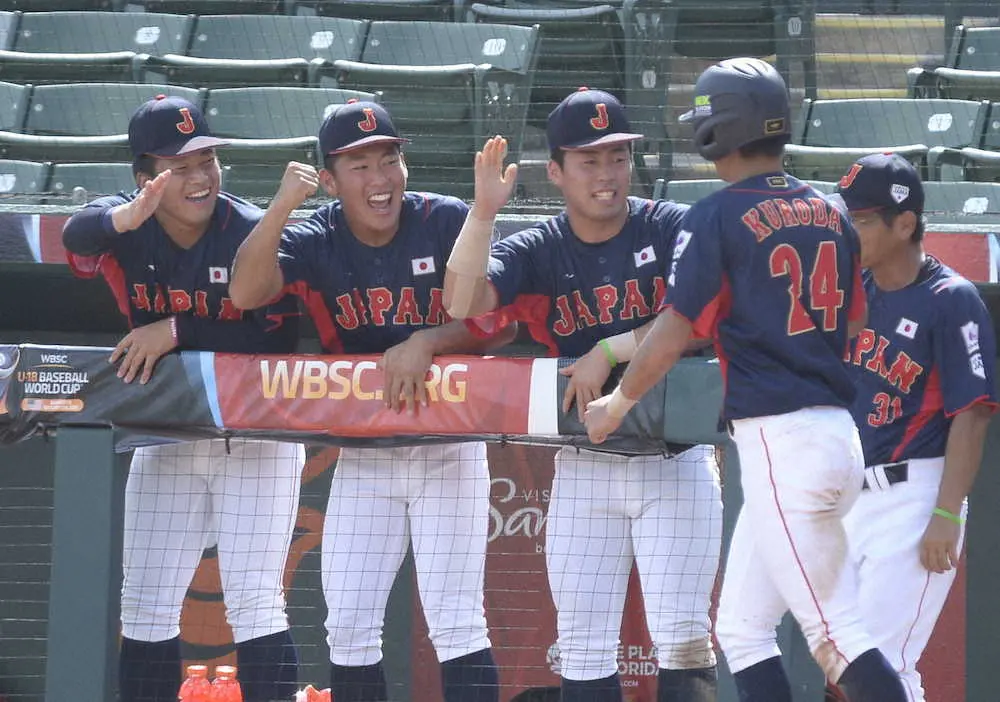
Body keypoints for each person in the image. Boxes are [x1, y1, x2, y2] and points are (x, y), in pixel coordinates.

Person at [582, 58, 909, 702]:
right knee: (742, 627)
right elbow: (858, 321)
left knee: (835, 632)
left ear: (719, 128)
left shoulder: (715, 215)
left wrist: (619, 402)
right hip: (831, 436)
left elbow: (675, 331)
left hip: (782, 443)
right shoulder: (831, 210)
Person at [443, 87, 723, 702]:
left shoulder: (671, 224)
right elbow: (460, 304)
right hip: (584, 468)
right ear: (556, 171)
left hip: (674, 464)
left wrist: (609, 349)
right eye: (590, 160)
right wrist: (483, 214)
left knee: (683, 639)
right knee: (583, 645)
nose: (607, 173)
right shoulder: (539, 247)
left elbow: (699, 318)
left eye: (618, 156)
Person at [228, 100, 511, 702]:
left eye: (389, 159)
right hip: (365, 455)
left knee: (457, 619)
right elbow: (247, 292)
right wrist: (281, 207)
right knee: (349, 626)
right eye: (359, 166)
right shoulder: (316, 235)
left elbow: (502, 320)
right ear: (329, 180)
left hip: (448, 446)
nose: (380, 179)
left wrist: (428, 339)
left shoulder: (444, 220)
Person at [62, 95, 304, 702]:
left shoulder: (248, 226)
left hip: (254, 432)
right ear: (146, 178)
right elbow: (76, 234)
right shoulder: (125, 223)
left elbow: (272, 329)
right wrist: (126, 218)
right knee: (144, 599)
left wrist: (175, 330)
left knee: (252, 598)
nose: (201, 177)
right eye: (181, 166)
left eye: (207, 160)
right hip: (167, 432)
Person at [833, 154, 997, 701]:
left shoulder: (951, 300)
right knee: (853, 669)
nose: (848, 231)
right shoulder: (855, 288)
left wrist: (947, 513)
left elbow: (971, 412)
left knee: (880, 666)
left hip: (916, 496)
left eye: (860, 221)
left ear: (904, 224)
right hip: (850, 498)